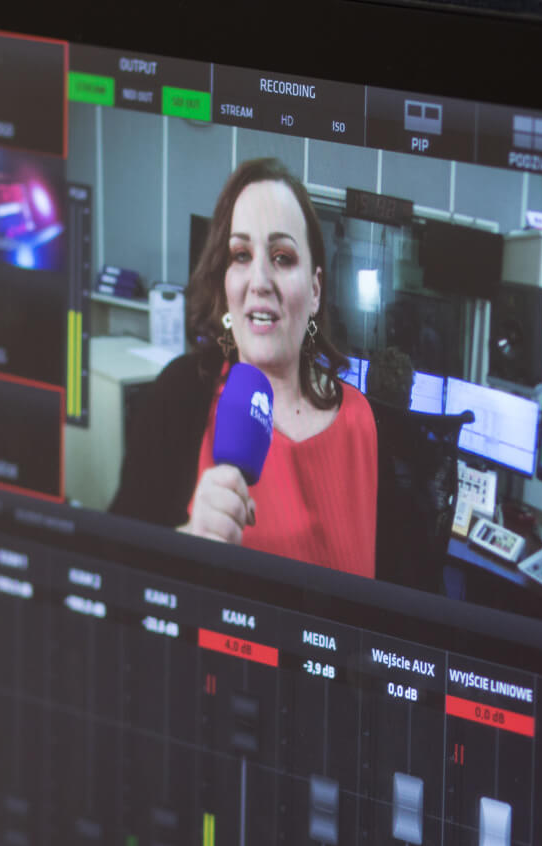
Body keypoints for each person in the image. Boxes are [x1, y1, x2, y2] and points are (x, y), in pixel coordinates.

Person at [110, 159, 378, 578]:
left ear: (314, 290)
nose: (259, 281)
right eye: (241, 255)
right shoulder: (179, 395)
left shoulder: (361, 421)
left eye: (282, 257)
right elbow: (111, 573)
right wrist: (186, 539)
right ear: (225, 281)